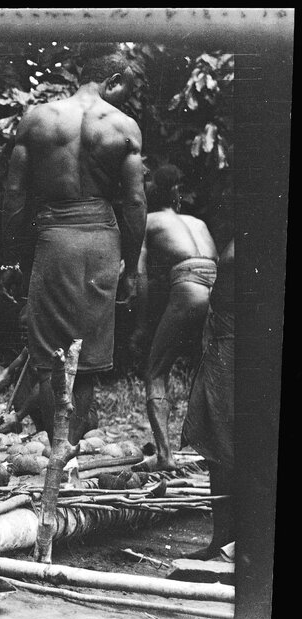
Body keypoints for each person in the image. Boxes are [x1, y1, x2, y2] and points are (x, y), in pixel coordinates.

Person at [2, 51, 146, 446]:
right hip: (101, 237)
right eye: (125, 92)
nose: (123, 100)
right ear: (113, 80)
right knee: (88, 356)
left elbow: (15, 194)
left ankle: (52, 449)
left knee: (50, 354)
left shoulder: (37, 118)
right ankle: (69, 454)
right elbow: (134, 202)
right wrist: (130, 267)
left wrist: (11, 260)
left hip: (55, 237)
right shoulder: (123, 125)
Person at [130, 164, 218, 472]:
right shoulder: (198, 222)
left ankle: (165, 456)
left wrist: (141, 326)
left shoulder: (148, 221)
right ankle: (219, 452)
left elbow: (139, 276)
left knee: (155, 371)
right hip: (216, 287)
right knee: (214, 370)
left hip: (189, 286)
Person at [180, 239, 234, 559]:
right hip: (225, 342)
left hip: (238, 345)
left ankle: (231, 539)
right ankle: (223, 538)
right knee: (217, 444)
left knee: (229, 445)